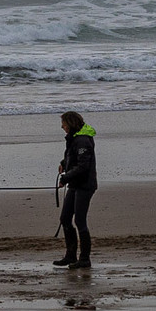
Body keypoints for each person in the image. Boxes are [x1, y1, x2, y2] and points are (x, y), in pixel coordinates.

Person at [55, 110, 97, 268]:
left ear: (70, 123)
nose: (62, 127)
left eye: (63, 124)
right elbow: (72, 158)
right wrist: (63, 163)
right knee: (65, 219)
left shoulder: (83, 140)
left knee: (80, 221)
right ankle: (70, 256)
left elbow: (83, 166)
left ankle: (85, 259)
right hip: (75, 184)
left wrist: (66, 177)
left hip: (85, 185)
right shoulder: (73, 139)